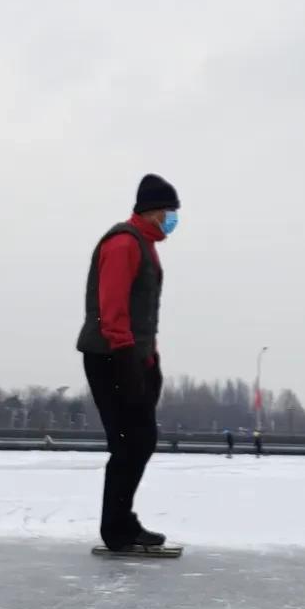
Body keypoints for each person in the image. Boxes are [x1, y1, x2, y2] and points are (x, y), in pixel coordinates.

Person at [78, 174, 181, 551]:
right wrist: (127, 361)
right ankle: (117, 528)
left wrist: (150, 362)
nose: (173, 219)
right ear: (154, 210)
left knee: (138, 441)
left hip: (131, 357)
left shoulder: (146, 245)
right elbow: (113, 307)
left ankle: (121, 522)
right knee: (130, 442)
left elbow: (141, 315)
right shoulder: (124, 243)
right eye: (170, 211)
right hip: (111, 356)